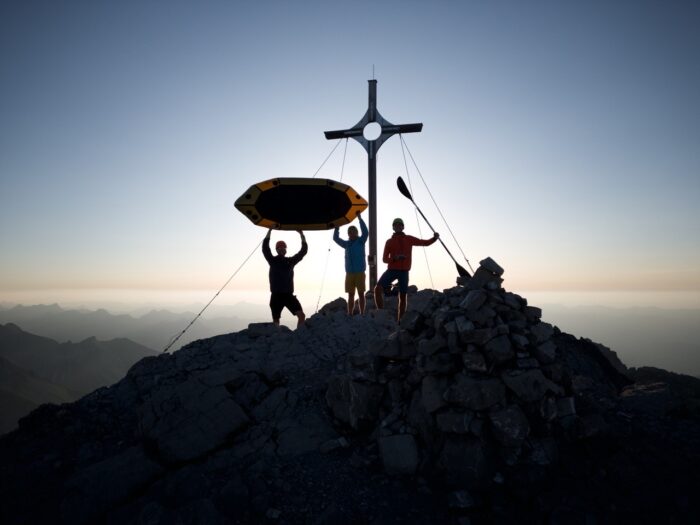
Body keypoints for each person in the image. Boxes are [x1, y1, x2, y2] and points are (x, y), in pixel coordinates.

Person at [374, 218, 439, 321]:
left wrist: (434, 239)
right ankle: (380, 312)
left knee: (403, 296)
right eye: (396, 225)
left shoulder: (409, 239)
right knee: (378, 288)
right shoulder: (389, 242)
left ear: (403, 227)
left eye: (400, 225)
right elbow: (384, 259)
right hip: (392, 270)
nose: (398, 226)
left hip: (404, 272)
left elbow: (424, 243)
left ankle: (401, 320)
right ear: (393, 227)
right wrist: (395, 258)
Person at [262, 229, 308, 328]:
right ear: (277, 250)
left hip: (288, 295)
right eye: (280, 248)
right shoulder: (272, 260)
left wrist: (302, 235)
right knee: (276, 322)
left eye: (283, 247)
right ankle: (278, 340)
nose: (282, 249)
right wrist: (269, 231)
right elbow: (265, 248)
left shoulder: (290, 261)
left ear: (286, 249)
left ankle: (299, 336)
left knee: (301, 315)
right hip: (276, 295)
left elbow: (303, 251)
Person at [332, 213, 369, 315]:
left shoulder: (361, 241)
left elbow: (366, 232)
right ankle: (350, 313)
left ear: (357, 233)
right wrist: (337, 227)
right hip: (349, 273)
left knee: (361, 294)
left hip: (360, 273)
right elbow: (335, 239)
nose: (352, 233)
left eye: (353, 232)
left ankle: (362, 313)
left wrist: (360, 219)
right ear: (348, 234)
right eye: (350, 232)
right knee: (350, 295)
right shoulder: (346, 244)